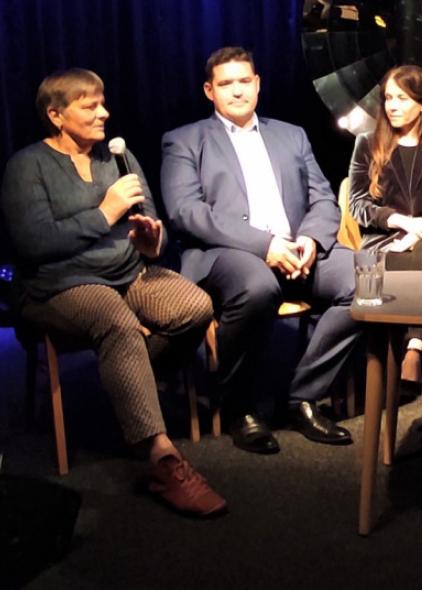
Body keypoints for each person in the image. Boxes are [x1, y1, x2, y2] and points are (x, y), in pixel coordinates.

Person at [0, 69, 226, 516]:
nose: (104, 113)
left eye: (103, 103)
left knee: (194, 306)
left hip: (129, 273)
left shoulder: (118, 156)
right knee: (116, 323)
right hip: (61, 284)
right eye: (89, 106)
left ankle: (124, 382)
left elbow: (151, 220)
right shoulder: (27, 166)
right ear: (56, 115)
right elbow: (33, 243)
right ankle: (162, 458)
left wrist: (151, 241)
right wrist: (105, 214)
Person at [161, 47, 359, 452]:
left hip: (298, 249)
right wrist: (266, 246)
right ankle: (240, 406)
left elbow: (323, 199)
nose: (237, 91)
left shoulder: (291, 134)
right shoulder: (184, 140)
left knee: (366, 279)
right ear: (209, 91)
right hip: (227, 255)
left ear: (257, 84)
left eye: (243, 81)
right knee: (257, 286)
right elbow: (186, 212)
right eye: (226, 84)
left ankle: (301, 397)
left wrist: (310, 239)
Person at [348, 65, 422, 417]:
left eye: (402, 98)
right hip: (382, 243)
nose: (392, 106)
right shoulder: (367, 143)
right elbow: (357, 204)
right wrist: (400, 222)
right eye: (388, 98)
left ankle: (415, 349)